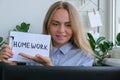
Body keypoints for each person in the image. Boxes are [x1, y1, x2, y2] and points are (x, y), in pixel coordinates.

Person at [0, 1, 94, 66]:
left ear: (75, 27)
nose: (61, 30)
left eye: (68, 25)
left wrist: (49, 67)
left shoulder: (84, 56)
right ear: (47, 25)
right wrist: (8, 62)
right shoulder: (31, 47)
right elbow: (18, 74)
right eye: (55, 24)